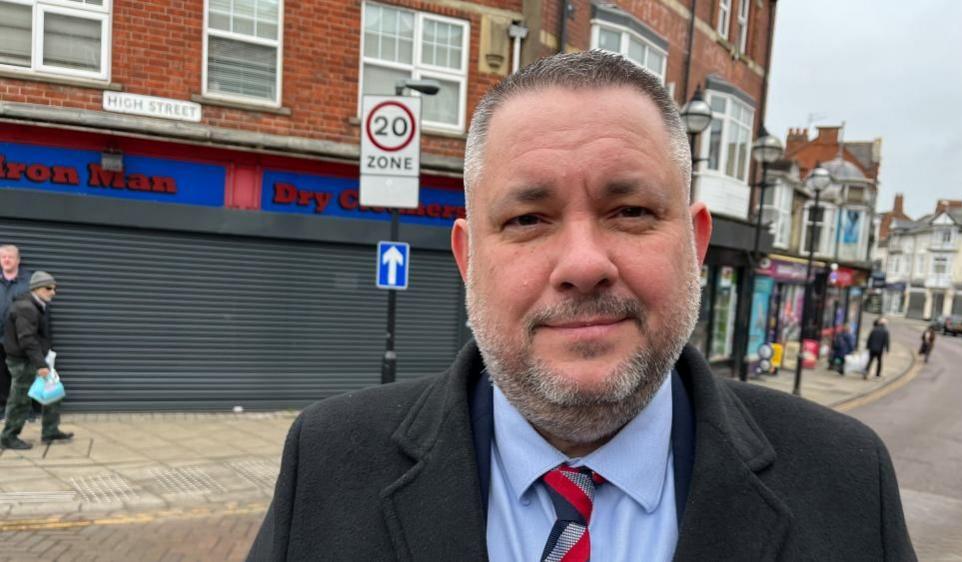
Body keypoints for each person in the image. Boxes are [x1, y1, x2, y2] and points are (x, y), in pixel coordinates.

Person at [248, 51, 914, 561]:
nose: (583, 264)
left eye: (629, 211)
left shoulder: (847, 477)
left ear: (694, 242)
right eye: (528, 219)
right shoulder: (327, 463)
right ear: (468, 257)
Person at [1, 271, 73, 450]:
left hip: (36, 358)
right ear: (36, 289)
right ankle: (8, 437)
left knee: (53, 392)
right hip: (24, 361)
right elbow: (27, 339)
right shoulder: (26, 307)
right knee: (20, 400)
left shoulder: (38, 304)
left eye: (54, 288)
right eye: (48, 288)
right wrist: (41, 365)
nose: (53, 292)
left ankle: (50, 431)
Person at [0, 245, 32, 416]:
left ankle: (25, 411)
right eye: (3, 256)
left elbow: (41, 311)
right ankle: (4, 409)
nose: (6, 259)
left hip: (21, 338)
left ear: (18, 260)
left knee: (22, 377)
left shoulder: (29, 282)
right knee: (1, 377)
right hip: (0, 338)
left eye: (10, 256)